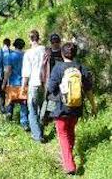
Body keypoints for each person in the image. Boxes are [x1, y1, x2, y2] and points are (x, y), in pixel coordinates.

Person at [47, 42, 97, 175]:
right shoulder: (81, 68)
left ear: (62, 54)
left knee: (63, 135)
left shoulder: (58, 68)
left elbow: (50, 88)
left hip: (60, 108)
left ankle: (69, 165)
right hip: (76, 108)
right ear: (75, 54)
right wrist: (93, 106)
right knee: (71, 131)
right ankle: (69, 154)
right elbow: (88, 89)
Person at [21, 30, 46, 143]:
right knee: (42, 109)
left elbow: (26, 73)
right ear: (38, 38)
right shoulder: (45, 49)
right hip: (45, 84)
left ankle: (37, 135)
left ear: (29, 39)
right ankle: (41, 131)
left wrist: (23, 87)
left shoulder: (28, 53)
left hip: (34, 83)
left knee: (32, 110)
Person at [2, 38, 29, 131]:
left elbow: (8, 71)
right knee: (23, 104)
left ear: (14, 45)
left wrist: (4, 82)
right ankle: (24, 123)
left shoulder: (11, 56)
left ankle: (9, 117)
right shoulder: (26, 55)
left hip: (13, 83)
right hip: (24, 83)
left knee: (10, 102)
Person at [40, 33, 63, 125]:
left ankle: (55, 116)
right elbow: (43, 67)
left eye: (56, 41)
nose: (55, 43)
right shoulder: (48, 53)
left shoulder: (63, 52)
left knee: (60, 98)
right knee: (49, 98)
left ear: (59, 41)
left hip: (62, 80)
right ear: (50, 42)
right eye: (53, 41)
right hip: (50, 80)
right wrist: (42, 79)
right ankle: (46, 117)